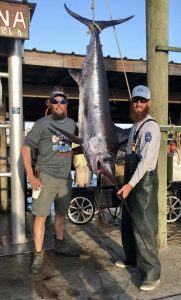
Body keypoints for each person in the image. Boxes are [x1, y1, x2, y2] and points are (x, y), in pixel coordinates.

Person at [21, 87, 79, 274]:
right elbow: (26, 148)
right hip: (45, 177)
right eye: (55, 101)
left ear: (67, 106)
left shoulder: (71, 124)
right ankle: (38, 254)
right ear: (50, 104)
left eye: (62, 101)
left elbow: (75, 146)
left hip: (65, 179)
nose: (59, 104)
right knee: (40, 216)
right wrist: (30, 175)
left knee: (61, 214)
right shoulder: (41, 124)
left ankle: (60, 245)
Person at [115, 85, 161, 291]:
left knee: (144, 227)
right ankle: (132, 258)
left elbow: (146, 160)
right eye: (135, 100)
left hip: (144, 184)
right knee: (127, 223)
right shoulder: (134, 126)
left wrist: (130, 185)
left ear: (149, 103)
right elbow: (126, 153)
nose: (139, 104)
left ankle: (152, 272)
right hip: (131, 182)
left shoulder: (150, 127)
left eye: (142, 101)